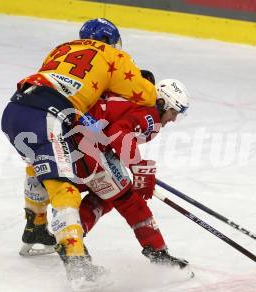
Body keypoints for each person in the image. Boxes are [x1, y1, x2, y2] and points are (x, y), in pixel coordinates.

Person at [1, 17, 156, 285]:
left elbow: (64, 86)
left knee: (40, 168)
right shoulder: (115, 57)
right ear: (112, 42)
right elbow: (148, 96)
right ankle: (76, 261)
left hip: (15, 110)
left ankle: (36, 228)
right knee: (64, 187)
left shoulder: (61, 48)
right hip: (46, 115)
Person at [20, 75, 191, 272]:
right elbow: (120, 132)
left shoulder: (127, 95)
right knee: (128, 199)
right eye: (173, 112)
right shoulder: (149, 113)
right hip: (86, 148)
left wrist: (125, 160)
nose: (173, 118)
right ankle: (156, 252)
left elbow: (112, 127)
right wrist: (138, 166)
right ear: (161, 102)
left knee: (105, 195)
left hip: (66, 140)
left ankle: (45, 228)